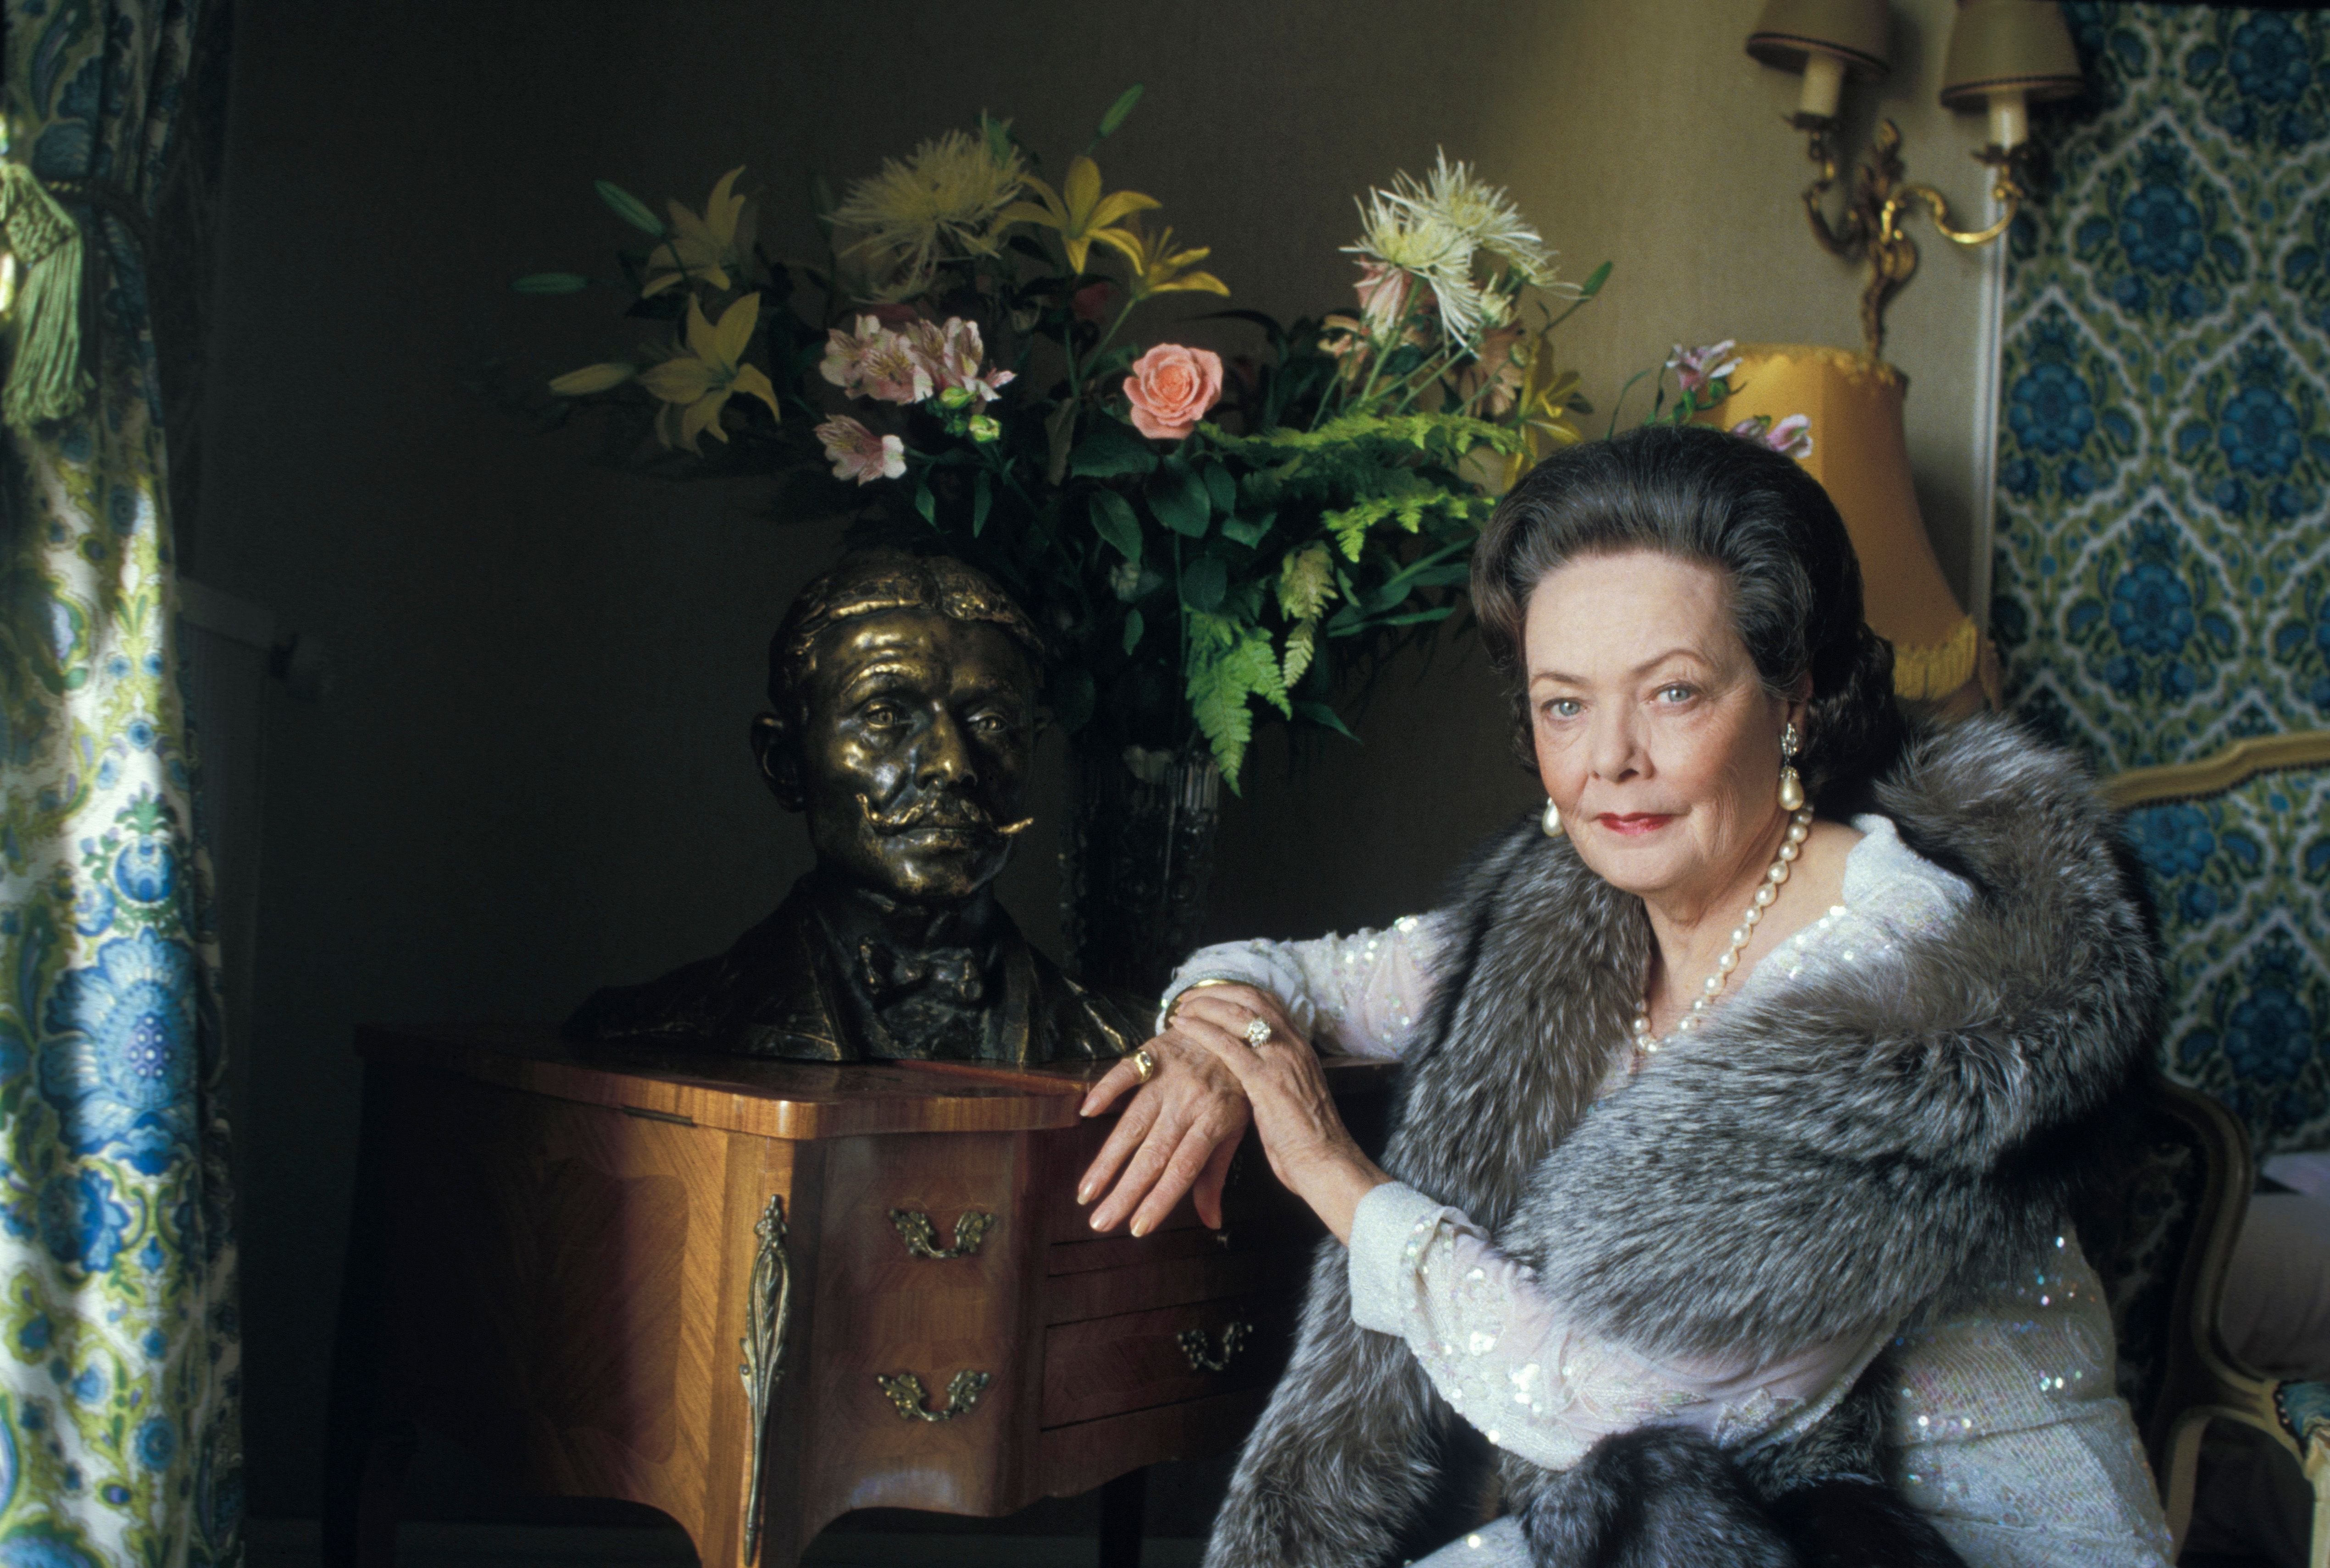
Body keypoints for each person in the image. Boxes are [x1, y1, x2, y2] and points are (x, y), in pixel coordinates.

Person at [1077, 426, 2174, 1566]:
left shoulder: (1905, 969)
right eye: (1563, 704)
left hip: (1940, 1541)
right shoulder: (1569, 917)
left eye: (1674, 693)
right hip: (1683, 1530)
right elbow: (1284, 969)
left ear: (1792, 701)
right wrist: (1215, 1043)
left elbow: (1618, 1397)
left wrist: (1332, 1175)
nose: (1609, 758)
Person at [567, 550, 1135, 1064]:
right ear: (785, 762)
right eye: (885, 715)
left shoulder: (1120, 1039)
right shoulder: (654, 1030)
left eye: (991, 722)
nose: (953, 764)